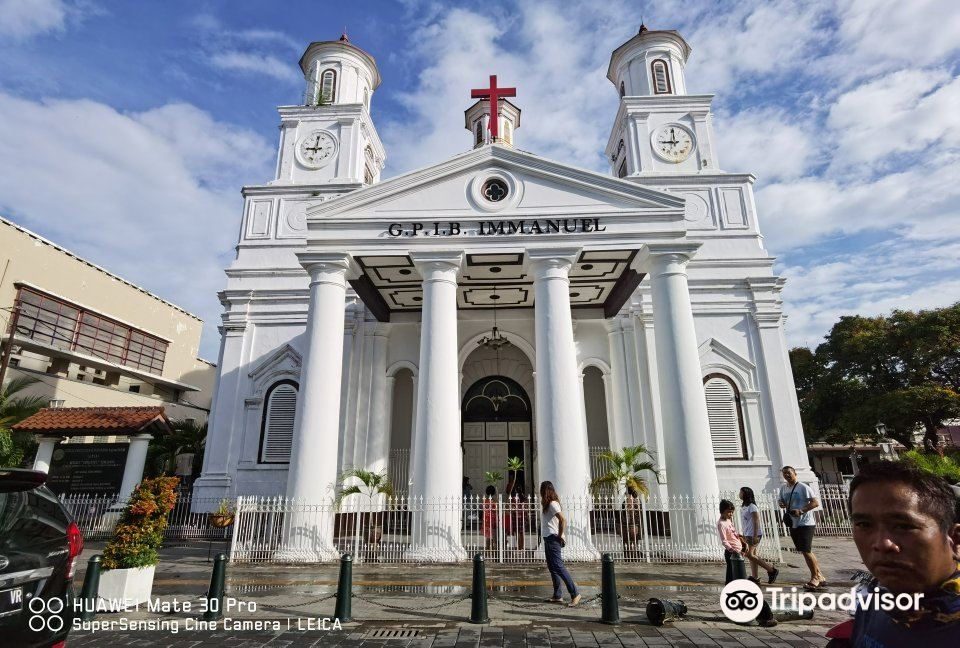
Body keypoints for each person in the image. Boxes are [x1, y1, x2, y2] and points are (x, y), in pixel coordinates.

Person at [848, 461, 960, 646]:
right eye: (864, 525)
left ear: (954, 539)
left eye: (904, 526)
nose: (882, 544)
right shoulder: (873, 605)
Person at [778, 466, 826, 588]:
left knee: (806, 550)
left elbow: (815, 503)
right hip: (793, 523)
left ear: (794, 473)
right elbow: (781, 501)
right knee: (805, 551)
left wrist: (801, 510)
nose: (787, 475)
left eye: (789, 473)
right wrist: (781, 503)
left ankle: (815, 578)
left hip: (806, 523)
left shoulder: (803, 487)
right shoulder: (783, 488)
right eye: (784, 474)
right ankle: (819, 575)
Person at [540, 480, 581, 606]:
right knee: (552, 568)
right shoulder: (548, 504)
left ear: (545, 491)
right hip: (548, 538)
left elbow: (563, 520)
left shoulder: (552, 504)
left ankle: (575, 594)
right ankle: (557, 595)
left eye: (541, 490)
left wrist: (559, 535)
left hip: (553, 538)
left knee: (558, 567)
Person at [739, 486, 778, 584]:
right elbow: (745, 522)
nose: (739, 494)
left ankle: (771, 570)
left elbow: (756, 520)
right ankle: (755, 577)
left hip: (754, 534)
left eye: (741, 492)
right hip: (748, 533)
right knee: (753, 556)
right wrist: (744, 534)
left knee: (750, 554)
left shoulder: (752, 506)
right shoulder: (744, 506)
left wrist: (755, 535)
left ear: (746, 494)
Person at [717, 499, 744, 584]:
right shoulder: (721, 523)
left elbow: (733, 533)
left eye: (732, 512)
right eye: (729, 512)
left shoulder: (728, 520)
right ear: (722, 511)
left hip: (738, 550)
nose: (731, 514)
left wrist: (741, 539)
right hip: (731, 552)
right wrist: (732, 550)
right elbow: (724, 541)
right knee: (731, 572)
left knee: (738, 571)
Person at [482, 485, 498, 551]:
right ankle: (494, 550)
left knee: (488, 536)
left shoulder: (485, 501)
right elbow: (496, 511)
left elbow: (484, 510)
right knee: (493, 536)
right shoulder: (494, 502)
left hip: (486, 520)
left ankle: (488, 549)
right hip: (493, 520)